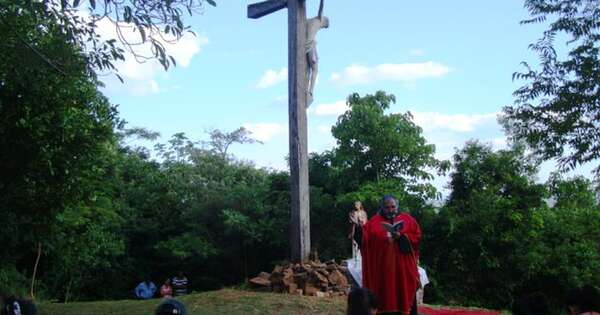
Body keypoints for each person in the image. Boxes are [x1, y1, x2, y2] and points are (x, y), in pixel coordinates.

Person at [360, 195, 421, 314]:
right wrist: (358, 231)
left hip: (403, 269)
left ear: (397, 206)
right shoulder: (373, 222)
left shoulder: (408, 220)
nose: (390, 210)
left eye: (393, 207)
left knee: (404, 291)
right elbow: (365, 241)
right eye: (387, 207)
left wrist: (402, 237)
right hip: (383, 270)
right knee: (384, 294)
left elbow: (417, 238)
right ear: (382, 207)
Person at [306, 0, 329, 106]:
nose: (322, 26)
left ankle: (307, 90)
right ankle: (310, 91)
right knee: (315, 69)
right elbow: (321, 7)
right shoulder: (319, 19)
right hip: (309, 46)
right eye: (324, 25)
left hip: (302, 47)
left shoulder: (306, 20)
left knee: (308, 70)